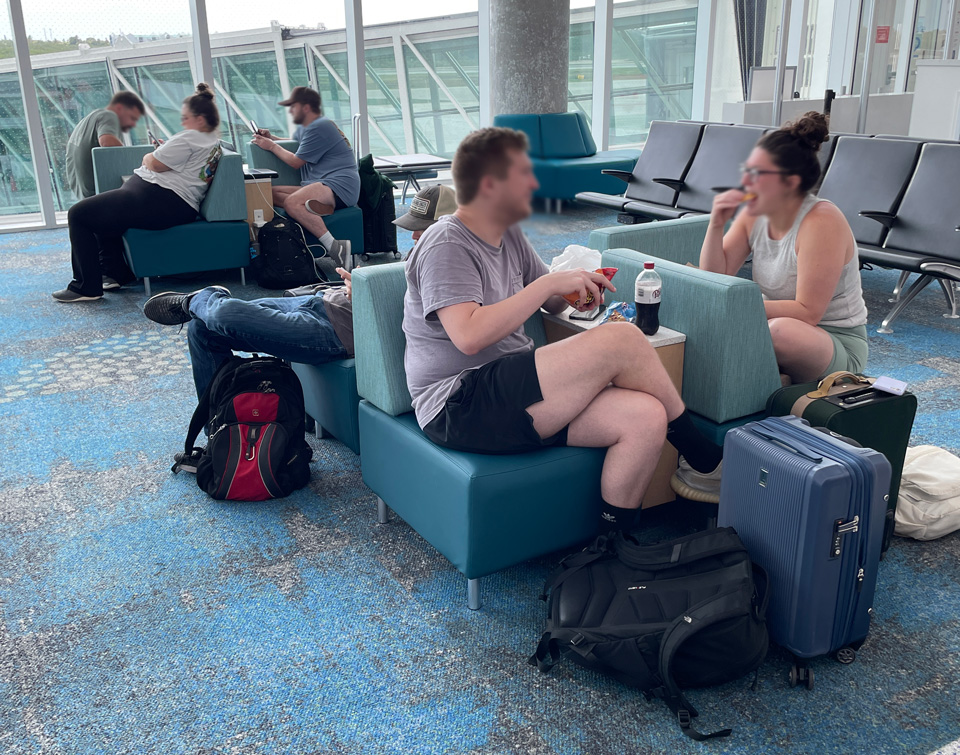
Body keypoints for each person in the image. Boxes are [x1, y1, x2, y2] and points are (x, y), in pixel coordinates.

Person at [402, 127, 725, 530]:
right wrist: (549, 284)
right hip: (458, 402)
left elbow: (551, 300)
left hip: (509, 393)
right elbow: (468, 336)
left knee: (646, 416)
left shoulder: (507, 233)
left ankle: (613, 545)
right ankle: (703, 456)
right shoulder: (446, 241)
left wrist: (577, 292)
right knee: (622, 339)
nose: (533, 185)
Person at [141, 184, 458, 404]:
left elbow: (415, 324)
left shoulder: (451, 268)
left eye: (422, 228)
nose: (413, 236)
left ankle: (198, 298)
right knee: (201, 328)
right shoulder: (423, 252)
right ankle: (220, 429)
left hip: (332, 333)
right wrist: (362, 285)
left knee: (223, 314)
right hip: (321, 302)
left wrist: (369, 295)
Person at [699, 111, 869, 384]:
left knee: (779, 332)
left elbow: (808, 312)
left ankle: (776, 379)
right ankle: (775, 381)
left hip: (831, 339)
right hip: (767, 326)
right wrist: (716, 224)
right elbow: (713, 278)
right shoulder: (754, 213)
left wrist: (739, 308)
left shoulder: (821, 221)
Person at [52, 84, 224, 303]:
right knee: (102, 214)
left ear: (199, 119)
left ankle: (86, 287)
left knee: (78, 214)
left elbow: (155, 164)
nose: (183, 122)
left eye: (186, 118)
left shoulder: (190, 137)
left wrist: (150, 156)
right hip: (166, 200)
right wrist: (163, 151)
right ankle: (115, 273)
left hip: (160, 198)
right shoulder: (211, 140)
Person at [251, 86, 360, 270]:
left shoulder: (319, 126)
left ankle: (335, 246)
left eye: (293, 106)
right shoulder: (308, 127)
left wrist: (271, 146)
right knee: (269, 194)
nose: (290, 111)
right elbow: (301, 147)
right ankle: (320, 207)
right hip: (321, 184)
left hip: (339, 184)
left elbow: (296, 161)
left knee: (292, 203)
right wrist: (273, 138)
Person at [64, 90, 145, 201]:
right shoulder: (109, 115)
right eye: (132, 117)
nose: (133, 124)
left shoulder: (88, 119)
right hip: (98, 194)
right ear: (120, 108)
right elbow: (107, 142)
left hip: (85, 196)